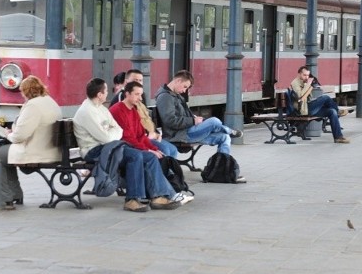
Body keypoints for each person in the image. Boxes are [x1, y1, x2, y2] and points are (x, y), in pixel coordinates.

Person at [72, 77, 181, 212]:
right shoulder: (87, 111)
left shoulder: (100, 108)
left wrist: (111, 132)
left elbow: (117, 129)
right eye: (106, 91)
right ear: (99, 95)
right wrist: (111, 132)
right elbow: (106, 137)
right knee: (135, 156)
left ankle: (158, 196)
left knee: (150, 157)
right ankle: (132, 199)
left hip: (111, 147)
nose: (108, 93)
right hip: (93, 150)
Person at [155, 70, 246, 182]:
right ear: (178, 81)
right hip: (179, 135)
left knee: (224, 137)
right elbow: (170, 121)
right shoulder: (165, 97)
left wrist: (194, 118)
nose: (184, 90)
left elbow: (180, 115)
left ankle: (221, 172)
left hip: (187, 131)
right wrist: (193, 121)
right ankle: (229, 130)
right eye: (184, 86)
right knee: (214, 121)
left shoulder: (174, 95)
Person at [0, 76, 62, 210]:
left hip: (37, 151)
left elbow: (20, 136)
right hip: (50, 149)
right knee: (5, 154)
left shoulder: (33, 106)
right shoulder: (49, 101)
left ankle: (7, 197)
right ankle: (15, 194)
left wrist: (9, 134)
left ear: (26, 92)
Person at [109, 69, 178, 157]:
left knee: (173, 150)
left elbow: (146, 119)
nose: (138, 82)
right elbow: (127, 129)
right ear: (126, 82)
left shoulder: (140, 97)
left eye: (140, 80)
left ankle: (167, 169)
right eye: (135, 80)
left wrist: (156, 133)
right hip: (134, 139)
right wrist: (149, 138)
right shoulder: (123, 100)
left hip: (146, 136)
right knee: (164, 150)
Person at [290, 65, 350, 144]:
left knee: (332, 112)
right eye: (304, 75)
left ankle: (338, 137)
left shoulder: (304, 82)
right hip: (303, 110)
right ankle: (338, 111)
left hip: (307, 107)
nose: (306, 77)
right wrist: (308, 84)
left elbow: (307, 96)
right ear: (299, 74)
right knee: (325, 98)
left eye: (308, 75)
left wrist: (310, 85)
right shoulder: (295, 83)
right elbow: (300, 95)